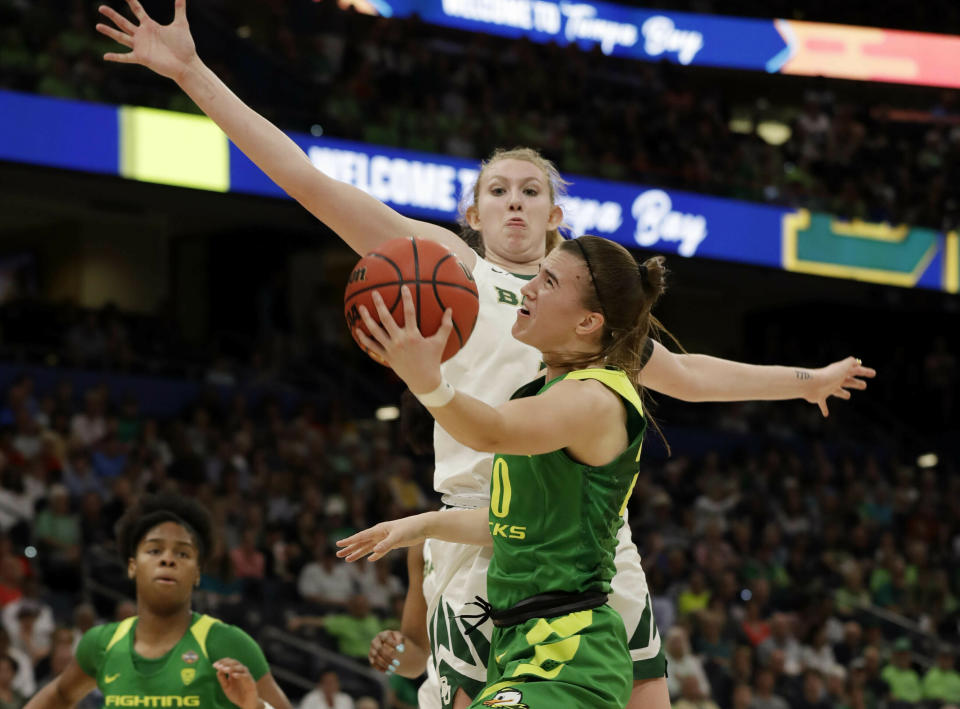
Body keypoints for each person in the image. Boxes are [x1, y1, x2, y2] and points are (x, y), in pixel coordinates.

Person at [95, 5, 876, 707]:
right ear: (470, 213)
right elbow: (305, 179)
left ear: (557, 216)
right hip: (475, 523)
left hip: (581, 536)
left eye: (529, 190)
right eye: (497, 189)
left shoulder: (590, 318)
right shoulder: (446, 264)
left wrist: (804, 380)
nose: (512, 200)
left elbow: (690, 372)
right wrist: (193, 73)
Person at [339, 235, 671, 707]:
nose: (529, 288)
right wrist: (418, 525)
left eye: (549, 281)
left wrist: (426, 380)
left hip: (569, 647)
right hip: (520, 647)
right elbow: (515, 522)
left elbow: (490, 431)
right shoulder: (541, 395)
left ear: (588, 321)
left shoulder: (594, 398)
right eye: (538, 274)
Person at [24, 493, 291, 709]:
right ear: (132, 566)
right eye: (154, 550)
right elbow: (58, 696)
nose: (167, 559)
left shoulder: (226, 643)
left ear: (197, 573)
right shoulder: (100, 644)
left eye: (183, 554)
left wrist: (254, 706)